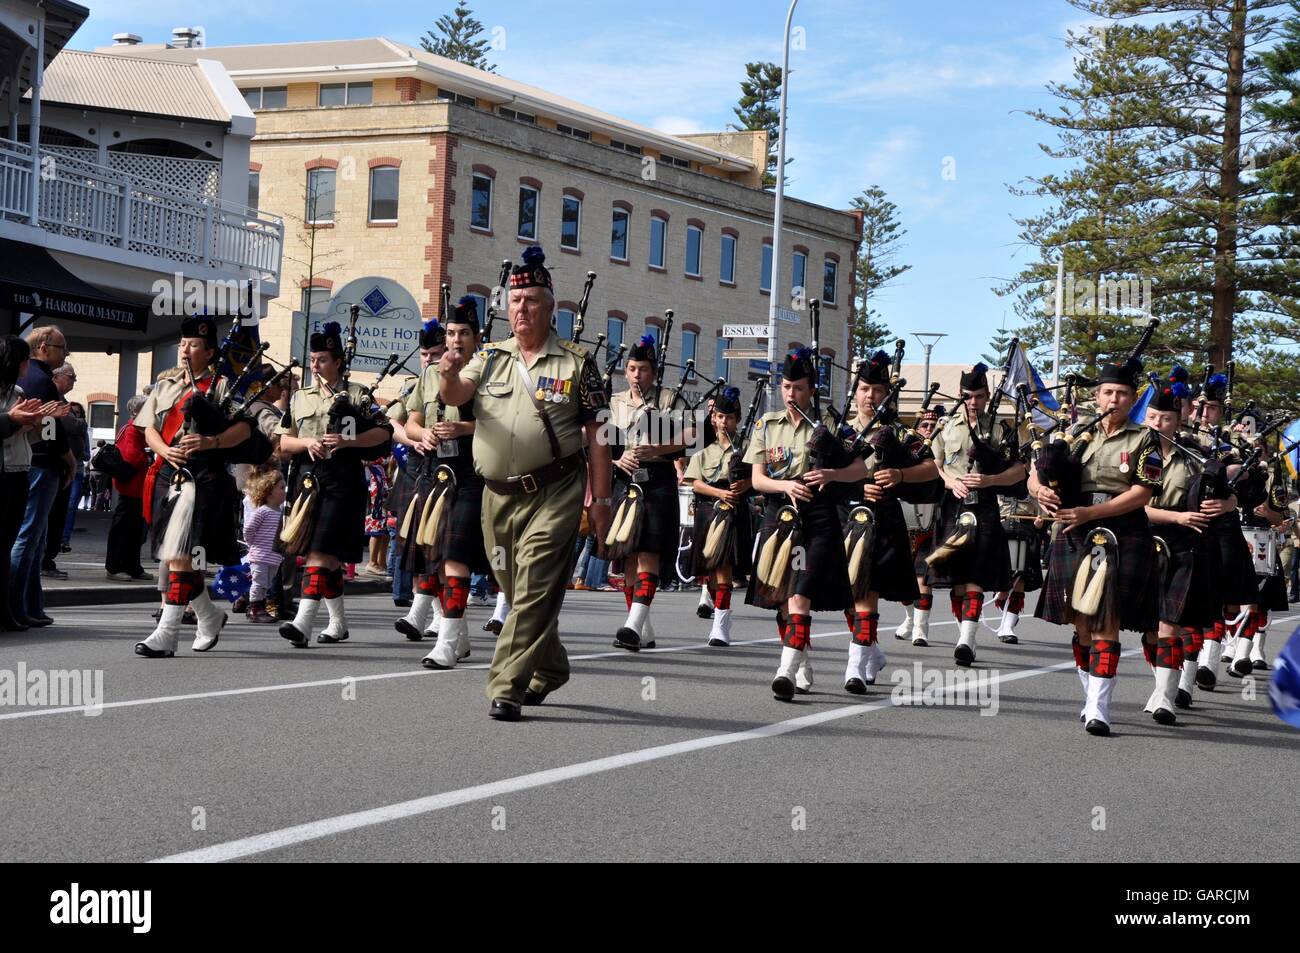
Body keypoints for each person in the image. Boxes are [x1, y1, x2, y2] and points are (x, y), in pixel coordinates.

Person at [437, 245, 612, 721]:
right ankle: (551, 667)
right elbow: (456, 395)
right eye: (516, 302)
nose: (523, 310)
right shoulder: (489, 357)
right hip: (497, 495)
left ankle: (506, 686)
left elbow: (598, 437)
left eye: (533, 301)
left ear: (552, 307)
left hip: (555, 491)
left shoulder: (578, 364)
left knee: (534, 586)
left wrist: (601, 500)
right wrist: (447, 374)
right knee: (518, 594)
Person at [1029, 356, 1163, 735]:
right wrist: (1040, 492)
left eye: (1122, 394)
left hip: (1123, 531)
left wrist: (1093, 513)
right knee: (1082, 624)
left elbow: (1142, 493)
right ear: (1097, 396)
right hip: (1074, 529)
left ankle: (1098, 707)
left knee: (1107, 620)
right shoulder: (1073, 434)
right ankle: (1091, 695)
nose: (1114, 400)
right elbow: (1035, 474)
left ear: (1132, 398)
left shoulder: (1145, 439)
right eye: (1107, 392)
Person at [134, 317, 264, 657]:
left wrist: (211, 441)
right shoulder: (165, 385)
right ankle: (209, 616)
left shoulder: (222, 386)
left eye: (193, 345)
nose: (184, 350)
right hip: (169, 473)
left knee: (180, 556)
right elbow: (147, 427)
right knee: (178, 557)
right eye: (182, 344)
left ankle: (167, 633)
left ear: (209, 352)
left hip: (203, 477)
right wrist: (164, 450)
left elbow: (246, 431)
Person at [745, 348, 857, 701]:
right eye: (787, 386)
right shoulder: (767, 425)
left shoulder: (832, 425)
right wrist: (785, 485)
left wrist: (833, 473)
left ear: (812, 390)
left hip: (819, 517)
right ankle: (802, 660)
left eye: (798, 388)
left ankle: (785, 671)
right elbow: (758, 479)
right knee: (782, 599)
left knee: (799, 593)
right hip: (779, 516)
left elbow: (861, 468)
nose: (791, 394)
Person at [277, 321, 393, 647]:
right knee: (324, 555)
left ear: (338, 361)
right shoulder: (300, 398)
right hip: (308, 482)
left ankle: (303, 622)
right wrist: (308, 443)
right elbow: (283, 444)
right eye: (313, 359)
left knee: (321, 551)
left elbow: (384, 434)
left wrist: (348, 439)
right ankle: (338, 623)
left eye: (323, 359)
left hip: (343, 482)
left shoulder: (358, 395)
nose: (315, 365)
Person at [399, 299, 492, 669]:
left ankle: (446, 642)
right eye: (451, 333)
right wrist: (420, 435)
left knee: (455, 557)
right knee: (434, 558)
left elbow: (505, 423)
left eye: (463, 333)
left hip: (471, 471)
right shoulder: (429, 373)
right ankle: (460, 638)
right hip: (433, 470)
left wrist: (463, 427)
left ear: (477, 337)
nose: (456, 340)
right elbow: (411, 421)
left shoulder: (489, 372)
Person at [912, 364, 1026, 666]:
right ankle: (958, 629)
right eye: (967, 396)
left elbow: (1019, 469)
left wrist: (990, 480)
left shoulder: (1001, 429)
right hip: (952, 505)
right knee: (957, 576)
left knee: (975, 574)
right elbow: (933, 463)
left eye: (978, 396)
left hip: (985, 505)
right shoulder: (944, 426)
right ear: (960, 396)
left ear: (988, 396)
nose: (973, 402)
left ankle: (967, 639)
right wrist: (949, 481)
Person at [1140, 372, 1218, 724]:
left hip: (1181, 547)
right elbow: (1124, 503)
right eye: (1153, 417)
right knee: (1150, 628)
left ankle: (1164, 697)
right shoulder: (1130, 453)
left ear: (1178, 419)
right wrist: (1175, 517)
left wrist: (1226, 500)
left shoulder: (1193, 458)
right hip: (1139, 540)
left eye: (1166, 418)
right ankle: (1161, 688)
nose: (1158, 424)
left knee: (1170, 625)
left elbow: (1225, 496)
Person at [607, 333, 692, 651]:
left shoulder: (670, 399)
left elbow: (692, 435)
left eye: (642, 369)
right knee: (628, 553)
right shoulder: (615, 402)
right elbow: (601, 443)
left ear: (653, 371)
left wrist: (658, 446)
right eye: (631, 368)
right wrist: (618, 457)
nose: (636, 375)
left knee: (648, 551)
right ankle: (642, 626)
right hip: (626, 481)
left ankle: (631, 625)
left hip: (657, 481)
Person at [10, 325, 74, 627]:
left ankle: (31, 605)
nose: (65, 355)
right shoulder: (42, 382)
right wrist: (68, 458)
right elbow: (49, 430)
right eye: (62, 348)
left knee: (34, 538)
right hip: (42, 464)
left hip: (32, 462)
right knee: (30, 536)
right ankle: (19, 605)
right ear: (44, 348)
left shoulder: (28, 380)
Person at [683, 386, 753, 647]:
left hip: (733, 510)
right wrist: (720, 493)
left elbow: (757, 478)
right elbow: (694, 482)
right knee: (711, 569)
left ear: (737, 419)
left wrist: (745, 485)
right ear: (714, 418)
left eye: (730, 418)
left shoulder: (747, 447)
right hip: (709, 508)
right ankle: (714, 607)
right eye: (721, 417)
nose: (725, 422)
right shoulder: (703, 447)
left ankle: (721, 623)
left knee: (723, 567)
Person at [895, 404, 943, 646]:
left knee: (922, 576)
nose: (928, 429)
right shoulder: (908, 449)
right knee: (902, 579)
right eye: (925, 425)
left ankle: (921, 628)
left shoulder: (941, 449)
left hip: (932, 522)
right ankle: (910, 618)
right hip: (902, 521)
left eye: (933, 426)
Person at [104, 395, 151, 582]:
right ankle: (115, 567)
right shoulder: (132, 430)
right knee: (124, 529)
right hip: (131, 488)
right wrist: (149, 456)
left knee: (135, 531)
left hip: (138, 488)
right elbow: (132, 457)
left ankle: (133, 567)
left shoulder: (140, 430)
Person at [242, 464, 284, 623]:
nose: (284, 491)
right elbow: (248, 529)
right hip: (260, 555)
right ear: (269, 492)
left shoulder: (280, 512)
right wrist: (252, 544)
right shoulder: (263, 511)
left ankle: (262, 606)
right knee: (258, 582)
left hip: (274, 556)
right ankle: (255, 609)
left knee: (266, 583)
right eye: (281, 487)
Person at [57, 400, 89, 556]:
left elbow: (87, 454)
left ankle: (65, 539)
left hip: (78, 470)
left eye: (77, 413)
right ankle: (58, 538)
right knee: (61, 505)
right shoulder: (63, 429)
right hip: (63, 468)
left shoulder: (82, 432)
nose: (74, 416)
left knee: (71, 506)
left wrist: (77, 453)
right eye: (72, 413)